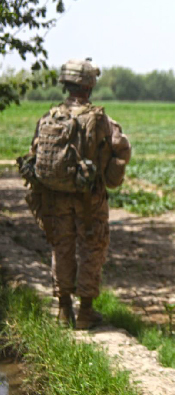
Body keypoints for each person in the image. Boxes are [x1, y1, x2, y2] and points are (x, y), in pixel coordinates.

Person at [17, 58, 131, 329]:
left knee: (62, 248)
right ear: (89, 85)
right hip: (89, 198)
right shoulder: (100, 118)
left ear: (66, 85)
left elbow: (36, 154)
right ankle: (86, 312)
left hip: (55, 196)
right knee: (92, 247)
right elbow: (120, 147)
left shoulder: (49, 116)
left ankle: (63, 310)